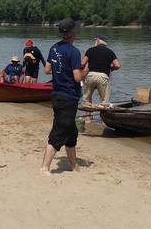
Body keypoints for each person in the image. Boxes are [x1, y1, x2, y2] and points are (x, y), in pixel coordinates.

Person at [41, 18, 86, 175]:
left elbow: (47, 70)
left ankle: (74, 166)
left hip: (57, 94)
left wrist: (61, 68)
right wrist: (86, 71)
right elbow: (77, 78)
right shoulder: (74, 51)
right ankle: (44, 167)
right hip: (68, 96)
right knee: (59, 131)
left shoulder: (54, 48)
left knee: (71, 132)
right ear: (73, 33)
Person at [81, 35, 121, 122]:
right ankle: (103, 121)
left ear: (97, 41)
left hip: (91, 76)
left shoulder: (90, 50)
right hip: (103, 77)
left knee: (87, 98)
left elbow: (82, 64)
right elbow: (118, 65)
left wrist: (81, 72)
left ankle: (88, 118)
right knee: (104, 101)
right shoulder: (110, 52)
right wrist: (111, 68)